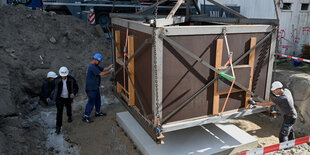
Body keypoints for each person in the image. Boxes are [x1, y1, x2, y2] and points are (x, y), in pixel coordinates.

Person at [82, 53, 112, 123]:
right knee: (91, 102)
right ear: (95, 60)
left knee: (98, 100)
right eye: (99, 61)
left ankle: (97, 112)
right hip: (90, 88)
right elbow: (101, 74)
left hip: (95, 87)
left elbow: (104, 69)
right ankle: (85, 116)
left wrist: (109, 67)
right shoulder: (91, 67)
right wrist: (110, 72)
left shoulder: (96, 66)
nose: (99, 62)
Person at [51, 66, 79, 134]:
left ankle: (69, 116)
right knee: (59, 112)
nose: (63, 77)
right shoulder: (56, 80)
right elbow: (53, 90)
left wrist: (73, 93)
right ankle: (58, 127)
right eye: (62, 75)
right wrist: (53, 99)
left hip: (68, 97)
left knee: (68, 107)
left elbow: (76, 87)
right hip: (60, 98)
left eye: (65, 75)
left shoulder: (71, 79)